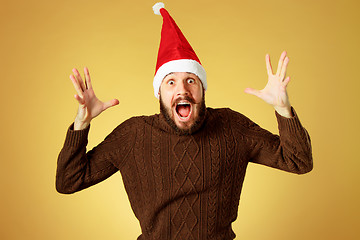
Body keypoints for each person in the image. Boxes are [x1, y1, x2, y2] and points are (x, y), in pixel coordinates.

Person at [56, 3, 313, 239]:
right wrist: (82, 124)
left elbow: (298, 161)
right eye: (171, 82)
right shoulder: (133, 134)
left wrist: (283, 109)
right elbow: (69, 181)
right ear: (159, 93)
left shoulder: (231, 126)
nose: (182, 90)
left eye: (191, 80)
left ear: (202, 90)